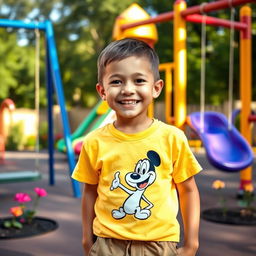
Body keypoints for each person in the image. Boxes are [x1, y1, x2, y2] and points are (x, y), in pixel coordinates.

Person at [72, 38, 202, 256]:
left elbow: (188, 190)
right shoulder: (94, 141)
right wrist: (87, 239)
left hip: (159, 245)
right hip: (107, 244)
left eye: (139, 80)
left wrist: (192, 243)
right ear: (102, 91)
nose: (127, 90)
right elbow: (90, 192)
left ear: (156, 88)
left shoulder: (172, 138)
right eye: (116, 82)